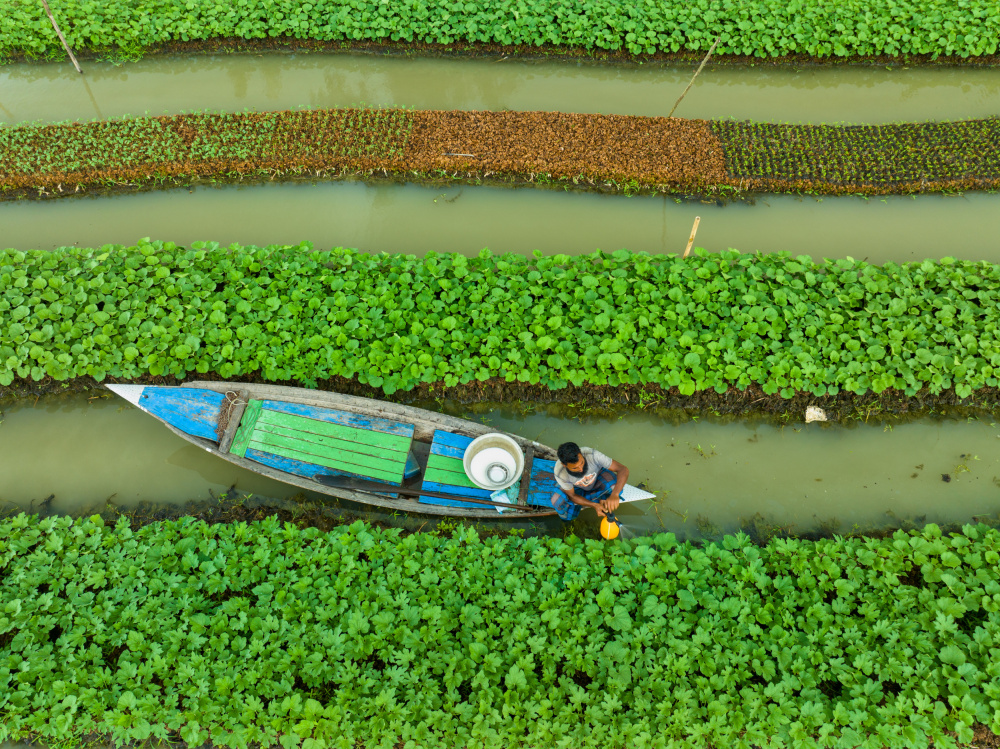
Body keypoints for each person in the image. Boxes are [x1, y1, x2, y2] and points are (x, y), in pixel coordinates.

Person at [551, 442, 629, 522]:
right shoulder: (560, 472)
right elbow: (572, 496)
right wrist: (594, 505)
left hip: (596, 479)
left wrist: (615, 494)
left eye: (582, 463)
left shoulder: (593, 455)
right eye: (575, 468)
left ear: (581, 453)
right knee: (556, 501)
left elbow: (622, 469)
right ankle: (596, 500)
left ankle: (602, 498)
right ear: (564, 465)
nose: (581, 469)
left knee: (615, 487)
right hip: (576, 488)